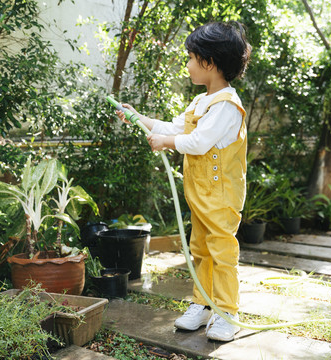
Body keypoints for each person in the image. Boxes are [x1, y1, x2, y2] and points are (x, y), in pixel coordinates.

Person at [116, 21, 251, 342]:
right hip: (200, 196)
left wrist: (165, 142)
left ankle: (226, 312)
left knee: (221, 251)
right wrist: (139, 118)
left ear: (210, 62)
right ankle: (202, 304)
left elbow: (198, 142)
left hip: (221, 197)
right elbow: (174, 127)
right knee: (200, 249)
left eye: (191, 57)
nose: (187, 64)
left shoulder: (227, 107)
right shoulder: (200, 102)